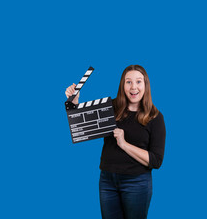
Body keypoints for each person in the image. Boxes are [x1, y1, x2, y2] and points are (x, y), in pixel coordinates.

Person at [65, 65, 166, 219]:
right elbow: (79, 125)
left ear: (145, 85)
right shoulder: (110, 107)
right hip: (107, 180)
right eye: (128, 82)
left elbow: (156, 161)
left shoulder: (155, 117)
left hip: (136, 182)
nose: (133, 87)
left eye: (138, 82)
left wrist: (124, 144)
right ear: (122, 85)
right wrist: (74, 103)